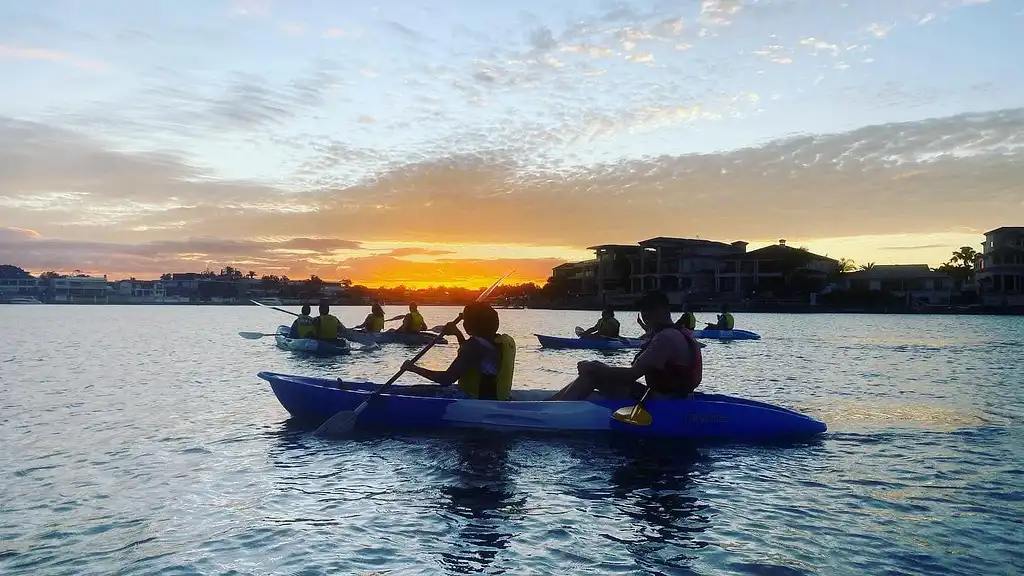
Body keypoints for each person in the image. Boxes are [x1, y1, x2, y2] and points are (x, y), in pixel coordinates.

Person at [550, 291, 702, 401]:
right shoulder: (681, 333)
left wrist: (595, 369)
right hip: (676, 396)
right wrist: (596, 366)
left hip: (663, 401)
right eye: (643, 310)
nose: (645, 315)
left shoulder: (665, 338)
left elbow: (630, 376)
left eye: (648, 310)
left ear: (664, 310)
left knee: (592, 374)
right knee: (595, 366)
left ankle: (552, 411)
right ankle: (552, 402)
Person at [400, 302, 517, 400]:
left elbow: (446, 379)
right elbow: (474, 357)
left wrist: (412, 368)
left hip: (474, 401)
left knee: (415, 391)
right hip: (499, 398)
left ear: (467, 326)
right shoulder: (504, 341)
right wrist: (457, 334)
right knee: (418, 388)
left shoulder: (473, 346)